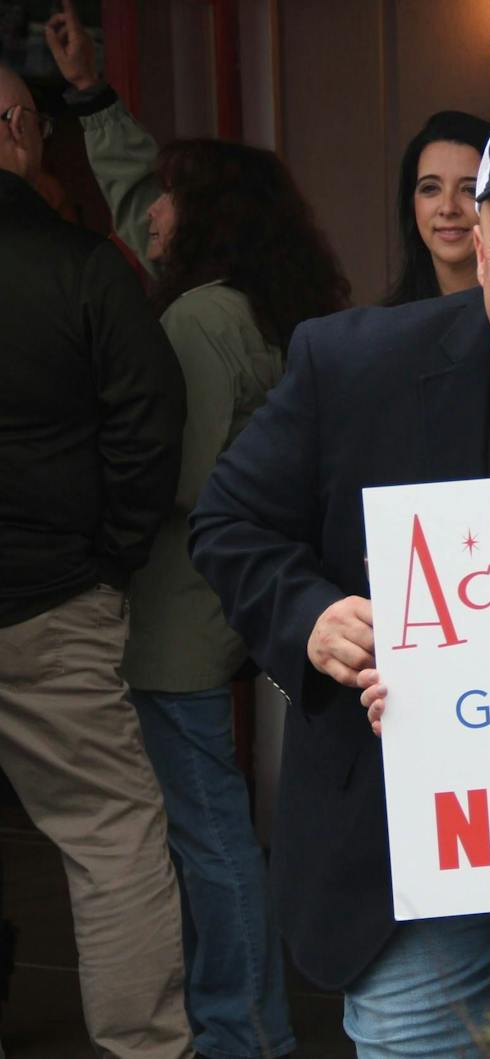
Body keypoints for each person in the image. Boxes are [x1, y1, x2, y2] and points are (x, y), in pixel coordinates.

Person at [189, 107, 490, 1056]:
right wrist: (309, 615)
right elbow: (228, 523)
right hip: (409, 849)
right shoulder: (354, 364)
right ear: (475, 245)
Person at [47, 5, 350, 1055]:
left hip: (173, 612)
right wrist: (92, 99)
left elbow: (176, 476)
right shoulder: (260, 304)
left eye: (174, 191)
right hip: (225, 606)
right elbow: (140, 206)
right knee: (215, 824)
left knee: (206, 832)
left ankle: (242, 1030)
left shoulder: (190, 323)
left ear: (206, 212)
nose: (152, 206)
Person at [0, 61, 193, 1059]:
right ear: (21, 129)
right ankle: (145, 1052)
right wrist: (111, 558)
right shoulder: (80, 267)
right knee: (110, 839)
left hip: (55, 587)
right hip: (52, 604)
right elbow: (149, 420)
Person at [382, 109, 490, 305]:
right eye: (430, 188)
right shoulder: (389, 328)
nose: (448, 208)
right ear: (411, 202)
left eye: (470, 189)